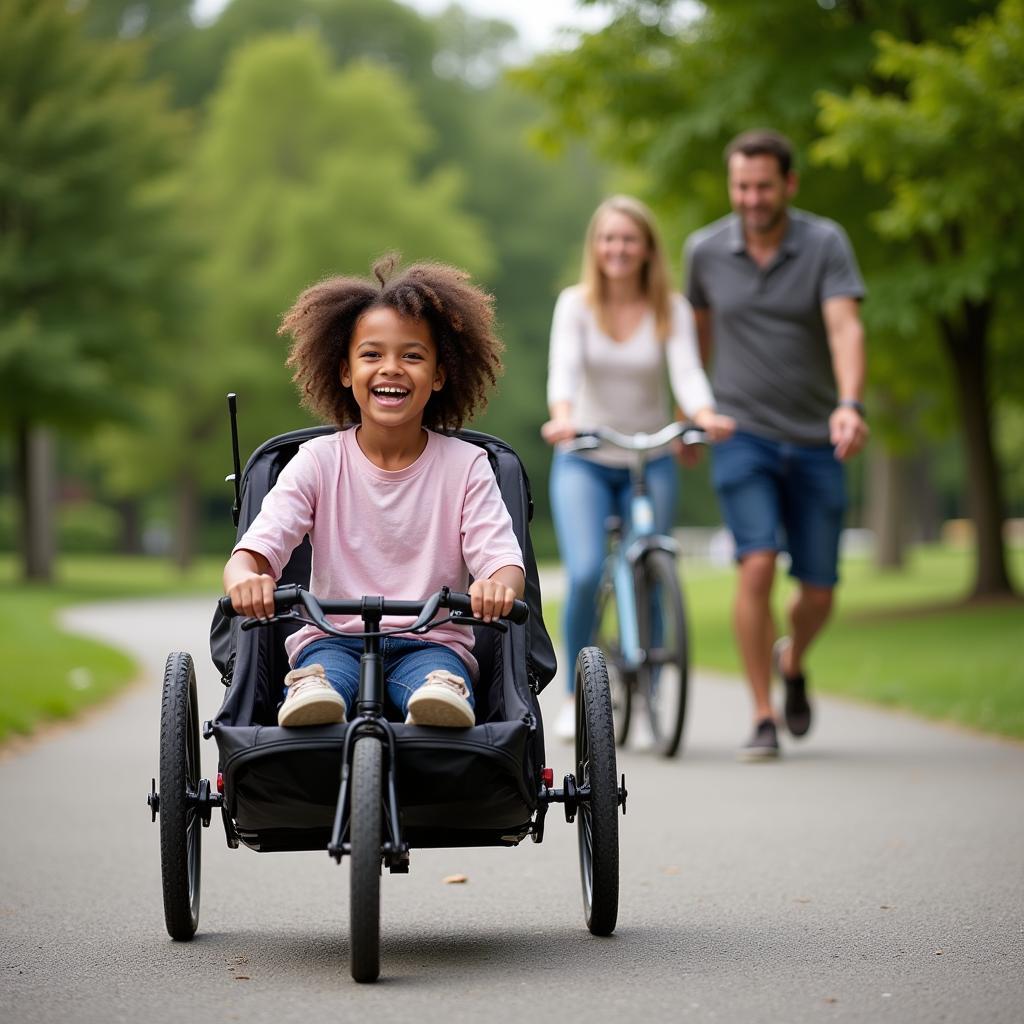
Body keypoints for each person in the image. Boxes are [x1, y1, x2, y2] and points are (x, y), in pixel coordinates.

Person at [223, 256, 526, 729]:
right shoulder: (318, 460)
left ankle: (442, 698)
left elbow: (502, 559)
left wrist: (495, 587)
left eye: (412, 355)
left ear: (439, 375)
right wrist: (247, 577)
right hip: (330, 639)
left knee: (438, 685)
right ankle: (311, 693)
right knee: (320, 682)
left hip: (432, 643)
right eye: (371, 355)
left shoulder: (466, 467)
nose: (391, 369)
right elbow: (258, 548)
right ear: (345, 371)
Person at [683, 129, 869, 760]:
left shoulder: (824, 243)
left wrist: (849, 404)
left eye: (764, 186)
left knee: (819, 590)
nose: (752, 198)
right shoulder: (704, 251)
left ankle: (792, 657)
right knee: (756, 561)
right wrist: (693, 412)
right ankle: (762, 713)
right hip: (742, 433)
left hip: (817, 435)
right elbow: (696, 341)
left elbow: (845, 327)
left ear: (788, 184)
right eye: (741, 186)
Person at [542, 194, 735, 741]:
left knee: (651, 561)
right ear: (595, 247)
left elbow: (688, 372)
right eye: (608, 239)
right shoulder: (575, 305)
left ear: (647, 247)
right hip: (585, 456)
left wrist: (704, 414)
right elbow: (565, 372)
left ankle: (650, 690)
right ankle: (574, 694)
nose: (618, 249)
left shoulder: (667, 306)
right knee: (582, 572)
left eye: (629, 239)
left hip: (651, 458)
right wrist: (562, 418)